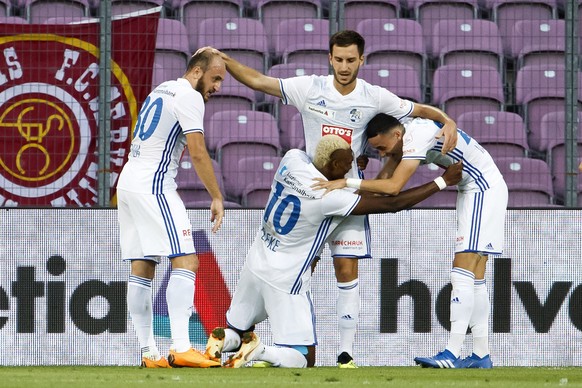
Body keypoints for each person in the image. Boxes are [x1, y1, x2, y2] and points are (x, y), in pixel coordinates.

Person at [197, 29, 458, 367]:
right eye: (339, 59)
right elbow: (260, 82)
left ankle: (345, 355)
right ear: (329, 58)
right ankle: (281, 346)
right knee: (306, 267)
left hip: (350, 192)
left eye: (351, 60)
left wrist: (446, 119)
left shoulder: (374, 97)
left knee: (346, 269)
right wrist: (228, 61)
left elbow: (416, 110)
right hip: (319, 192)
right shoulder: (311, 89)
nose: (345, 66)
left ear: (361, 60)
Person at [202, 134, 463, 368]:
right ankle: (260, 350)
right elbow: (392, 203)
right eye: (347, 163)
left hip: (255, 264)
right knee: (304, 356)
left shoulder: (291, 160)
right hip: (286, 279)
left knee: (237, 328)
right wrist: (442, 181)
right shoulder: (330, 198)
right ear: (334, 166)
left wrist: (349, 166)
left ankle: (222, 342)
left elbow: (311, 155)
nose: (352, 167)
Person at [314, 113, 508, 369]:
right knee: (476, 277)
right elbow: (378, 184)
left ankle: (451, 353)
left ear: (397, 135)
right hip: (473, 188)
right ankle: (481, 355)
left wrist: (346, 181)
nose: (381, 155)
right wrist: (343, 192)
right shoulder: (401, 140)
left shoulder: (417, 135)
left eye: (382, 148)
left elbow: (393, 188)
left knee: (462, 271)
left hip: (483, 189)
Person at [117, 50, 227, 369]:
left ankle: (149, 353)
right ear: (196, 71)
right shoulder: (189, 97)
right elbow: (197, 151)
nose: (218, 86)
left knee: (142, 266)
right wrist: (216, 196)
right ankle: (181, 347)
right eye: (215, 78)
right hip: (154, 184)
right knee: (187, 260)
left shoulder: (162, 88)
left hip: (129, 181)